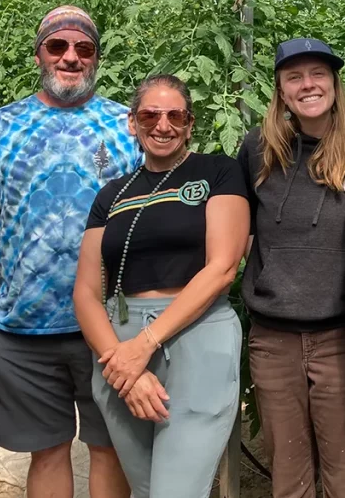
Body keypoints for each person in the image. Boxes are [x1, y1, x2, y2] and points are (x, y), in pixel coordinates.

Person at [0, 5, 138, 498]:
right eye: (58, 46)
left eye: (83, 49)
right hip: (23, 328)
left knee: (111, 447)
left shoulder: (128, 127)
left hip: (111, 328)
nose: (70, 57)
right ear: (39, 54)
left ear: (96, 58)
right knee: (47, 450)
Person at [73, 74, 250, 498]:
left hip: (196, 334)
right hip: (118, 350)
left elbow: (223, 267)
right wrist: (122, 365)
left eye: (176, 115)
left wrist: (146, 343)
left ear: (190, 124)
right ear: (132, 123)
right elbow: (85, 291)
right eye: (150, 114)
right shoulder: (111, 195)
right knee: (149, 487)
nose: (163, 125)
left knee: (176, 490)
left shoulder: (217, 172)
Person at [236, 37, 345, 497]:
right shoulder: (258, 150)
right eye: (293, 77)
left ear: (335, 82)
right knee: (288, 474)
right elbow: (239, 233)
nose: (307, 84)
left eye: (317, 73)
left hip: (344, 338)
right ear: (280, 89)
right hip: (273, 339)